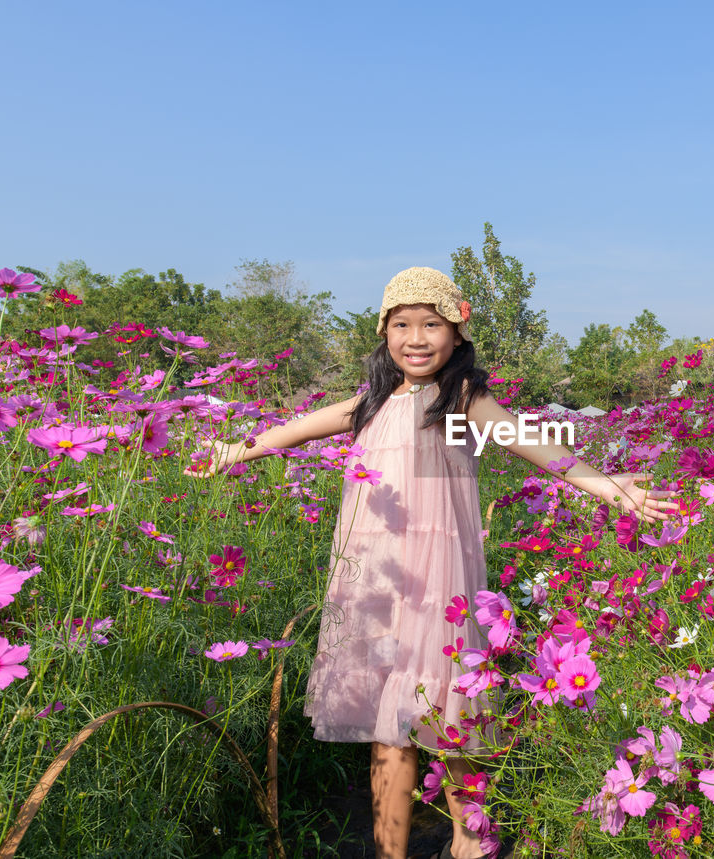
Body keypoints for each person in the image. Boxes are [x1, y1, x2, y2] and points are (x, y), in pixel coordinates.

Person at [186, 266, 678, 859]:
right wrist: (236, 449)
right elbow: (297, 432)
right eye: (402, 325)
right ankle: (389, 851)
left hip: (436, 578)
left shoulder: (458, 400)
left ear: (457, 332)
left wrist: (603, 484)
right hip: (373, 574)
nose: (416, 338)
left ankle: (471, 843)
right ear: (383, 332)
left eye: (431, 324)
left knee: (448, 714)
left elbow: (525, 439)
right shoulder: (372, 402)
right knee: (387, 724)